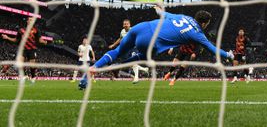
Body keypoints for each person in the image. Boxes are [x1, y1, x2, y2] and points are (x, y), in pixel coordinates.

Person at [79, 7, 234, 90]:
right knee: (144, 58)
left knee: (118, 51)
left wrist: (158, 9)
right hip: (151, 41)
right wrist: (229, 55)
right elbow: (213, 49)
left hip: (142, 27)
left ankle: (92, 70)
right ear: (205, 23)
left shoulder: (183, 17)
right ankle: (119, 66)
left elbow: (164, 14)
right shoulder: (198, 33)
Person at [1, 17, 47, 83]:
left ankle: (33, 77)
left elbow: (39, 40)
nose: (31, 21)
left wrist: (44, 42)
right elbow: (16, 40)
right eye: (30, 20)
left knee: (32, 65)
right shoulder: (21, 30)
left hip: (32, 49)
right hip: (23, 49)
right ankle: (24, 76)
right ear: (27, 21)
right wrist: (7, 37)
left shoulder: (36, 30)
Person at [109, 19, 149, 84]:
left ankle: (136, 78)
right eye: (124, 24)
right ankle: (144, 69)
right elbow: (120, 38)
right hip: (126, 49)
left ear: (129, 25)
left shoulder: (133, 30)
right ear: (123, 25)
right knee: (130, 64)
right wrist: (113, 45)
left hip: (134, 48)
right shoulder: (122, 31)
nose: (126, 25)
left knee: (133, 61)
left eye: (127, 24)